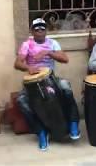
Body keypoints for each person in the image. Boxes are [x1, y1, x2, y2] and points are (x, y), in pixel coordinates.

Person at [14, 18, 81, 151]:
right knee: (21, 101)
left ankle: (73, 123)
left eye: (42, 28)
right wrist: (28, 68)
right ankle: (41, 132)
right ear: (32, 31)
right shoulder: (27, 44)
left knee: (66, 87)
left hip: (50, 78)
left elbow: (65, 59)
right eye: (37, 28)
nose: (40, 31)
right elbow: (17, 63)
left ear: (46, 30)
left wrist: (48, 52)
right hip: (32, 81)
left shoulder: (53, 43)